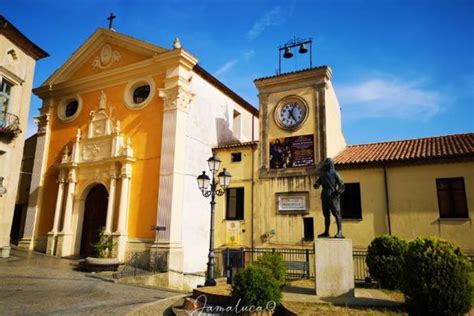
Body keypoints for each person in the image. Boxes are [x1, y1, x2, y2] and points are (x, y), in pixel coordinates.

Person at [314, 158, 345, 238]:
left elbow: (341, 184)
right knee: (326, 215)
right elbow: (318, 182)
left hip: (333, 196)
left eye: (327, 162)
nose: (325, 164)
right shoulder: (323, 174)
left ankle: (340, 232)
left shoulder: (335, 173)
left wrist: (338, 191)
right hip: (324, 196)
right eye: (325, 162)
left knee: (337, 214)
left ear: (330, 164)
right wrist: (316, 185)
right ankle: (326, 232)